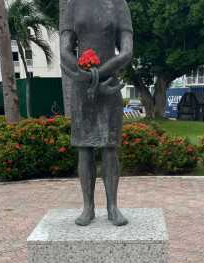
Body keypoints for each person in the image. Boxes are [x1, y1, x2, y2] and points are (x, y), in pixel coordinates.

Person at [60, 0, 133, 226]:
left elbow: (127, 50)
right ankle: (88, 207)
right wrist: (86, 75)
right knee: (84, 147)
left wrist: (99, 74)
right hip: (82, 86)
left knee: (110, 146)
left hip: (109, 83)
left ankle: (112, 207)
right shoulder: (72, 6)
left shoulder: (118, 4)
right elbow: (64, 50)